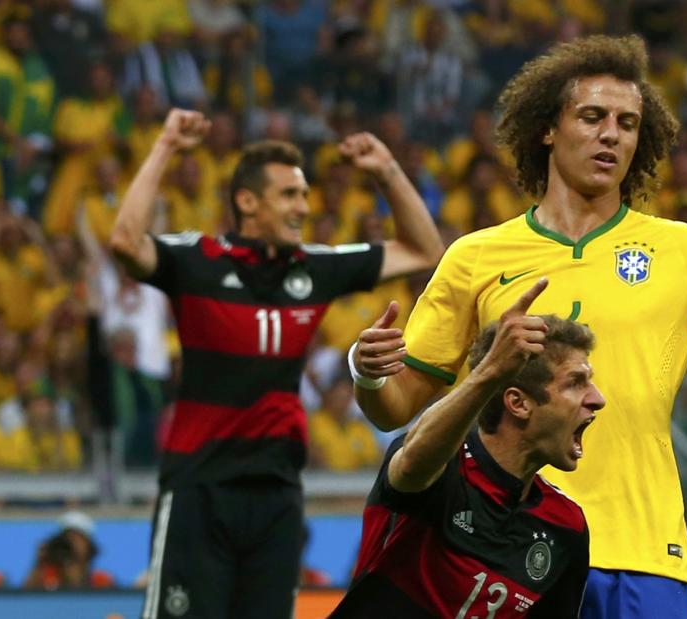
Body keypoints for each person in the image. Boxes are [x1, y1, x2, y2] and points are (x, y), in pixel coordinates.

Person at [350, 34, 687, 618]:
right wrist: (368, 374)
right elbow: (396, 408)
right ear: (548, 128)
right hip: (506, 552)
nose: (611, 134)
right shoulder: (476, 257)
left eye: (627, 122)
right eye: (593, 117)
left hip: (643, 550)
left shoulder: (680, 250)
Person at [109, 109, 443, 619]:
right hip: (201, 490)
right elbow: (125, 243)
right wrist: (165, 147)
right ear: (247, 201)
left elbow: (423, 250)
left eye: (305, 195)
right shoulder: (199, 261)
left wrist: (386, 171)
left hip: (278, 497)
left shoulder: (314, 268)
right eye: (289, 195)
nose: (303, 208)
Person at [333, 280, 600, 618]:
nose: (598, 399)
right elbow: (414, 460)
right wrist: (492, 370)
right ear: (518, 403)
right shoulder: (443, 464)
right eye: (576, 382)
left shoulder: (566, 527)